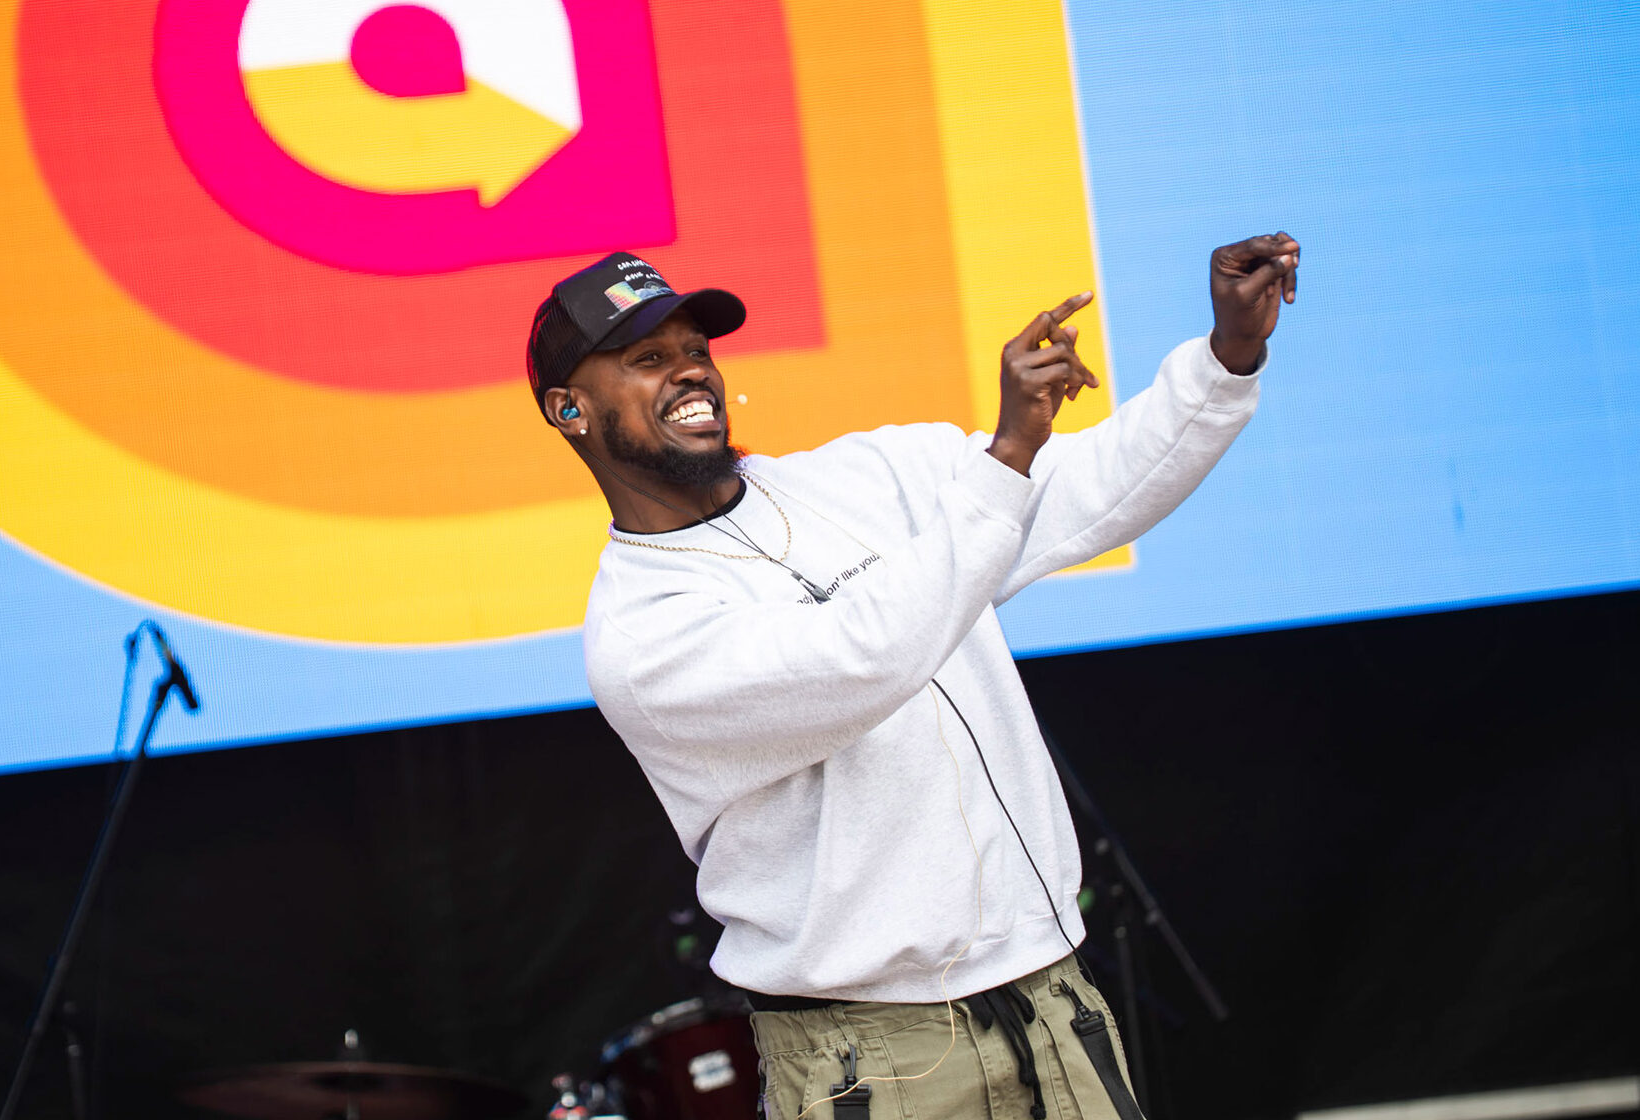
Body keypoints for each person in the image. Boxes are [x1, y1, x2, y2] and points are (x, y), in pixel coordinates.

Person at [526, 234, 1300, 1120]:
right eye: (647, 359)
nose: (690, 373)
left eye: (698, 352)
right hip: (872, 1055)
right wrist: (1004, 457)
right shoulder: (640, 632)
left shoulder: (875, 475)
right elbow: (861, 660)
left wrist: (1226, 355)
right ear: (569, 410)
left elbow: (1099, 489)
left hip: (1049, 1000)